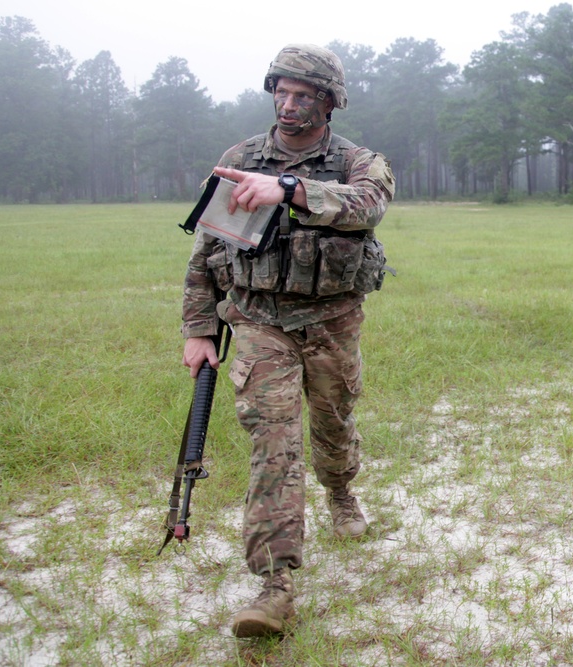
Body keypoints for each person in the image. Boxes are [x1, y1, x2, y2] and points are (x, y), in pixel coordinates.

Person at [180, 43, 395, 639]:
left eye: (303, 94)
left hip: (331, 321)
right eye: (281, 91)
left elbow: (368, 205)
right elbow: (206, 248)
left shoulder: (358, 161)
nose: (288, 103)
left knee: (332, 421)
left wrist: (289, 189)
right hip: (258, 320)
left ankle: (342, 493)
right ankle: (274, 586)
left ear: (329, 102)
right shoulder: (241, 158)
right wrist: (199, 328)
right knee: (274, 439)